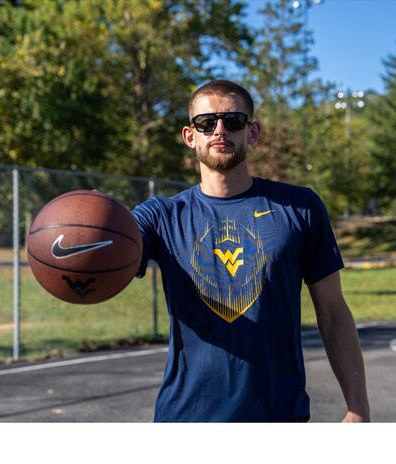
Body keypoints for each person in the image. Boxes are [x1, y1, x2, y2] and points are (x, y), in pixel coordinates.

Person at [131, 79, 370, 423]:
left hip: (278, 417)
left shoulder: (300, 208)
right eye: (206, 122)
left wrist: (357, 407)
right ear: (190, 136)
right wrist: (97, 230)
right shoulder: (160, 216)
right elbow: (109, 258)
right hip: (186, 420)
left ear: (253, 132)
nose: (220, 129)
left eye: (234, 121)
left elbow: (333, 313)